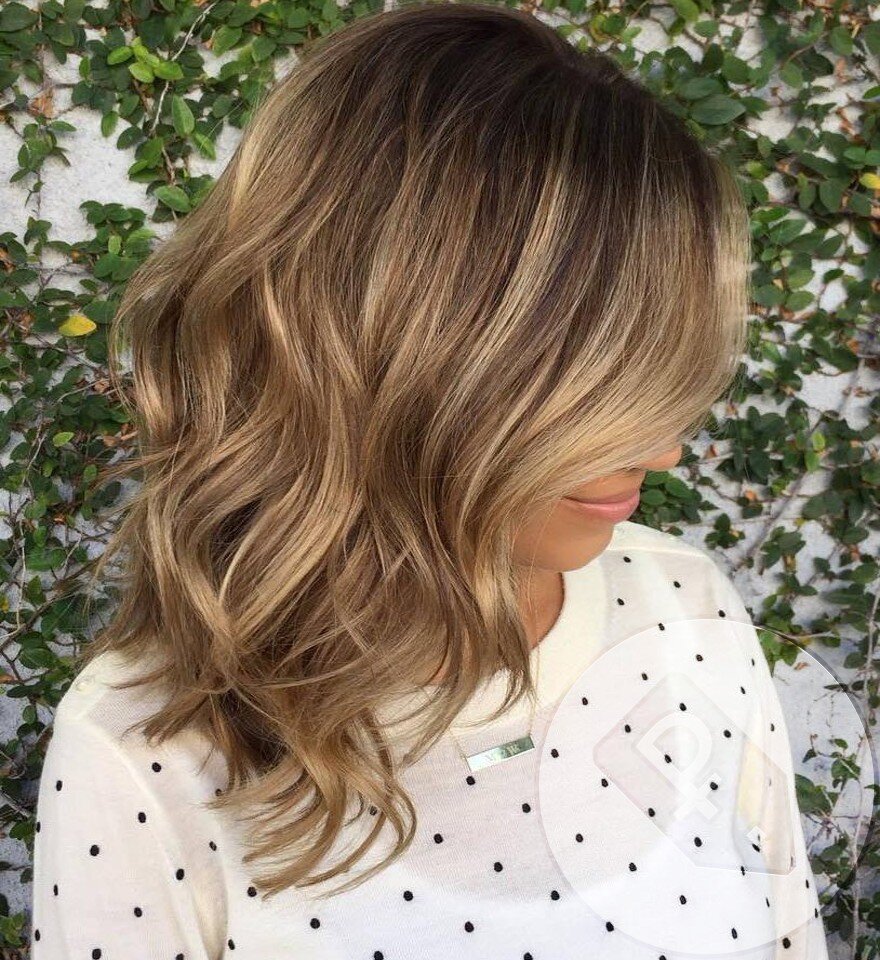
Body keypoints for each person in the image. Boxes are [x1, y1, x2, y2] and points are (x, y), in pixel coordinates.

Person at [30, 3, 830, 959]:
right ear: (386, 353)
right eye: (599, 385)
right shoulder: (149, 749)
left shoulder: (685, 603)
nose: (664, 451)